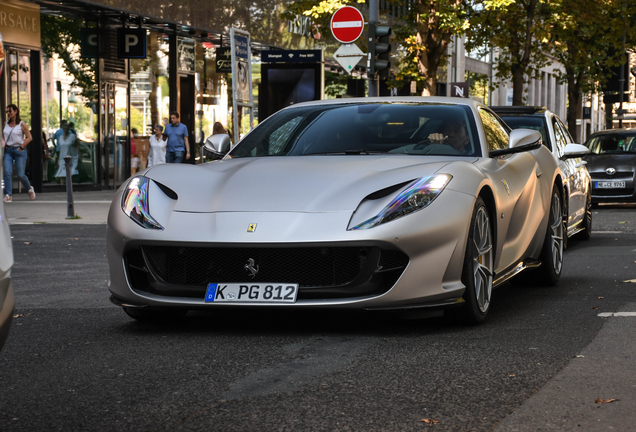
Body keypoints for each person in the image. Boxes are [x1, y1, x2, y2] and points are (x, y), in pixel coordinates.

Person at [3, 104, 35, 202]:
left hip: (19, 150)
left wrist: (21, 147)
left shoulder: (21, 124)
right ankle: (9, 194)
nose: (8, 113)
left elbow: (29, 137)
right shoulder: (5, 124)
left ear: (16, 111)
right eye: (7, 112)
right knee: (7, 172)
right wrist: (3, 144)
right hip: (8, 150)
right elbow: (3, 136)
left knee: (21, 175)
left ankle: (29, 189)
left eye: (10, 111)